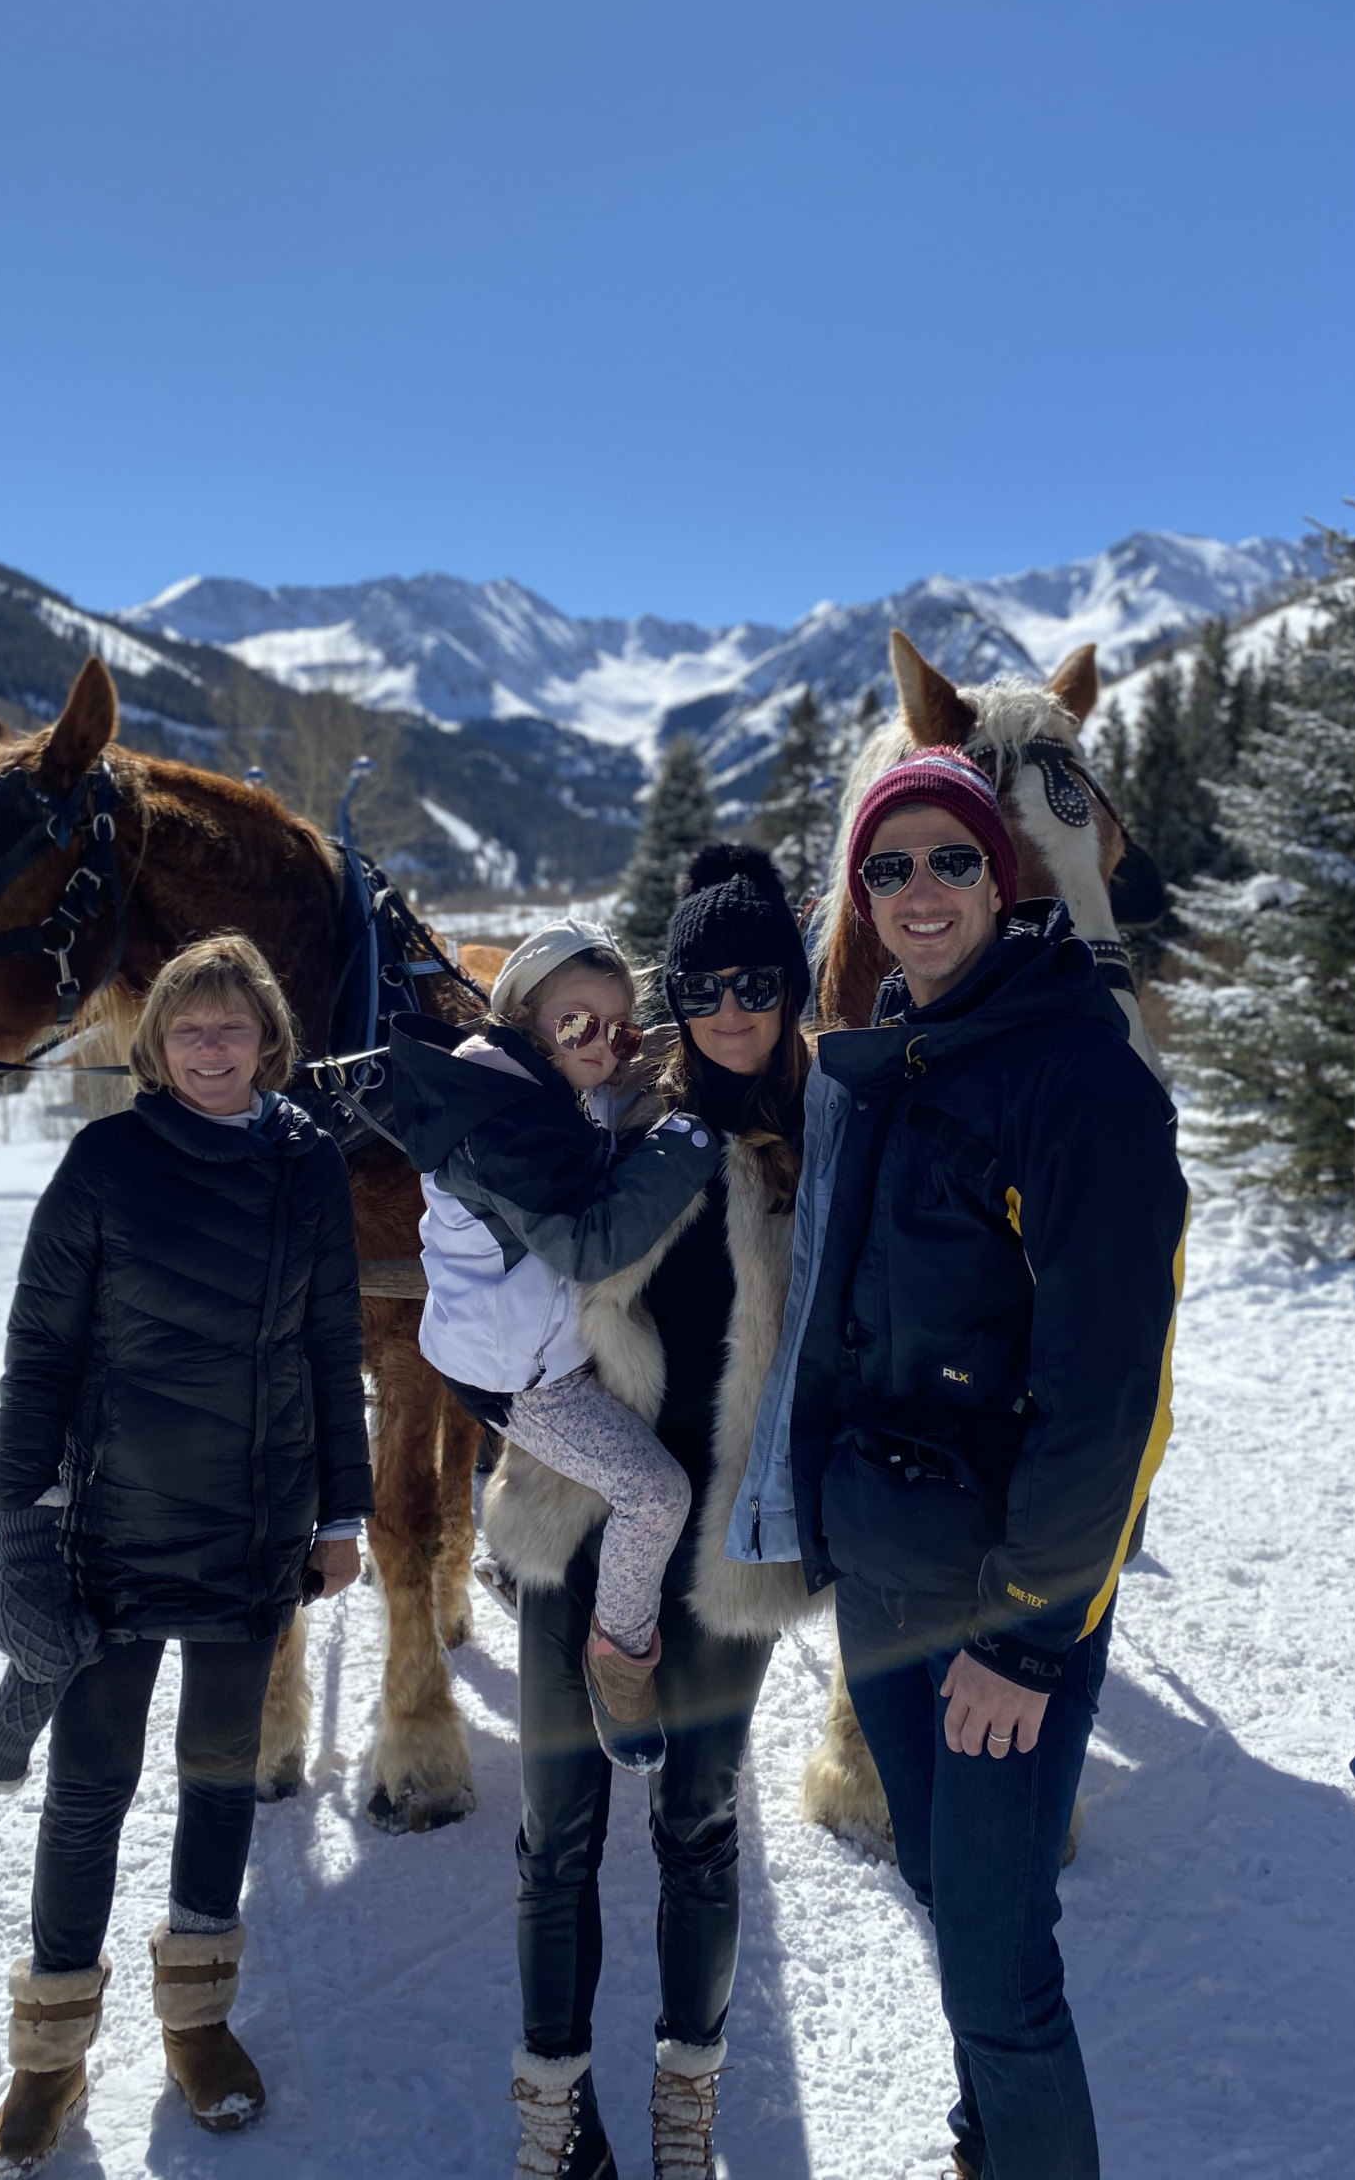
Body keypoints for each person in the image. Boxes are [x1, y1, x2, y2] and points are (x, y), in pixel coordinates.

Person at [730, 746, 1187, 2180]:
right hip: (884, 1565)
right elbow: (831, 1324)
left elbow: (1109, 1392)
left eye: (949, 861)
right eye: (888, 866)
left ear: (1002, 878)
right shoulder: (878, 1071)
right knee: (935, 1881)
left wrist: (1036, 1639)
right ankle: (989, 2142)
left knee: (997, 1965)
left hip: (1002, 1601)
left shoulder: (1077, 1082)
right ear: (857, 899)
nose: (919, 890)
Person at [425, 848, 815, 2180]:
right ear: (676, 997)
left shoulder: (824, 1140)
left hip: (734, 1543)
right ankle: (553, 2120)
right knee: (558, 1834)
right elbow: (495, 1291)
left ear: (791, 989)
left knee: (700, 1829)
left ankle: (686, 2117)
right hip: (581, 1513)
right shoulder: (606, 1124)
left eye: (758, 981)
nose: (732, 1006)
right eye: (705, 981)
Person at [0, 935, 371, 2176]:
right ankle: (49, 2052)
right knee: (89, 1786)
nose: (210, 1047)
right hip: (114, 1535)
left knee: (215, 1776)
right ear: (153, 1046)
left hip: (254, 1530)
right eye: (188, 1029)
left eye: (231, 1028)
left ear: (268, 1042)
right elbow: (38, 1356)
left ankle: (197, 2022)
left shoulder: (307, 1165)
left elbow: (328, 1335)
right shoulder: (103, 1164)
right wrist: (20, 1524)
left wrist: (341, 1513)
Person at [392, 919, 720, 1771]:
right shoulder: (502, 1123)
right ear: (522, 1012)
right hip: (528, 1378)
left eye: (622, 1033)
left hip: (511, 1347)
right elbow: (589, 1243)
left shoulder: (520, 1088)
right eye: (577, 1024)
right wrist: (692, 1137)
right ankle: (621, 1655)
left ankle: (525, 1564)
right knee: (655, 1494)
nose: (602, 1048)